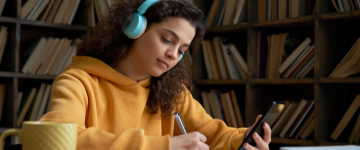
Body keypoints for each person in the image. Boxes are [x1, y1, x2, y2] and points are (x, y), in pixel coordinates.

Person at [40, 0, 271, 149]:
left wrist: (245, 140)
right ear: (135, 28)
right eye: (166, 40)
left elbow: (216, 135)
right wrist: (164, 146)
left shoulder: (173, 93)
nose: (173, 54)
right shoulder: (78, 82)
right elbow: (59, 141)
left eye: (182, 50)